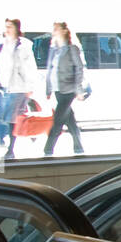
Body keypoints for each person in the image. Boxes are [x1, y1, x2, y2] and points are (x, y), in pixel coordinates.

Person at [0, 17, 38, 160]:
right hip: (7, 86)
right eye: (6, 26)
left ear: (17, 28)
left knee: (11, 119)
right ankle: (30, 135)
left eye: (10, 27)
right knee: (11, 117)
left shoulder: (23, 45)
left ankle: (10, 149)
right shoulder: (4, 44)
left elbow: (29, 67)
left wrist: (30, 85)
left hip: (19, 86)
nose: (7, 29)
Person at [44, 21, 86, 156]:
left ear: (63, 31)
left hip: (69, 89)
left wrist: (78, 89)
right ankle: (79, 148)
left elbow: (79, 69)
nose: (54, 31)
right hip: (58, 89)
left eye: (56, 29)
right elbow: (50, 70)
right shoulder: (54, 50)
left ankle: (48, 150)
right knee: (69, 120)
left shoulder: (71, 49)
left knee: (58, 120)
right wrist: (48, 89)